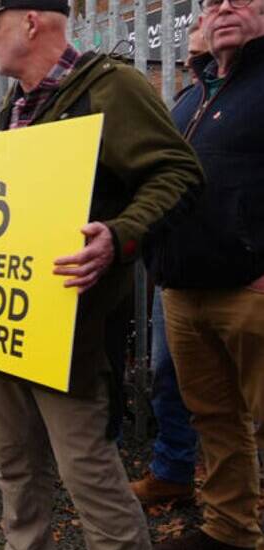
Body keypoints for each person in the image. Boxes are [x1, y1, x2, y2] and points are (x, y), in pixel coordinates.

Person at [0, 0, 204, 550]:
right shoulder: (15, 109)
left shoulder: (111, 88)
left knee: (87, 471)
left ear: (31, 21)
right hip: (3, 323)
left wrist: (120, 235)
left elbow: (179, 172)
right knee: (12, 459)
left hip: (72, 330)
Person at [148, 0, 264, 550]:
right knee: (215, 419)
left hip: (249, 291)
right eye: (213, 1)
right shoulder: (193, 97)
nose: (224, 9)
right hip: (184, 288)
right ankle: (230, 532)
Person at [128, 21, 209, 508]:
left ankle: (232, 494)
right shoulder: (183, 102)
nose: (203, 23)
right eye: (198, 18)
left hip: (242, 272)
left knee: (236, 394)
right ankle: (174, 469)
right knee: (169, 376)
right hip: (175, 269)